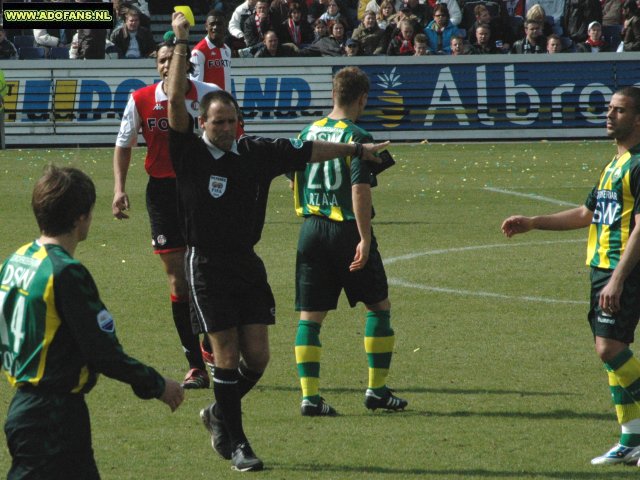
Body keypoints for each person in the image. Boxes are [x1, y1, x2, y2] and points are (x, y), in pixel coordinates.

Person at [167, 12, 389, 471]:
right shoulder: (188, 154)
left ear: (239, 122)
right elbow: (173, 97)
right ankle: (238, 443)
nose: (225, 128)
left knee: (259, 359)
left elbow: (307, 151)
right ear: (202, 124)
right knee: (226, 356)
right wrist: (180, 42)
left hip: (246, 264)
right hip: (205, 265)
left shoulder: (254, 153)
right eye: (216, 122)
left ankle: (216, 414)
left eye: (231, 121)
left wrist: (356, 150)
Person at [1, 165, 184, 479]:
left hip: (26, 408)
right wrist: (156, 385)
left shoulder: (15, 261)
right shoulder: (65, 272)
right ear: (79, 217)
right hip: (53, 415)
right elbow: (102, 353)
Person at [501, 86, 640, 467]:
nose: (609, 115)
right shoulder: (615, 164)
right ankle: (631, 438)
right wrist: (533, 222)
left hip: (622, 269)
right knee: (613, 350)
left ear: (639, 119)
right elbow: (586, 214)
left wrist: (618, 278)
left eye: (620, 110)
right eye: (609, 108)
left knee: (608, 349)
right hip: (602, 269)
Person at [292, 66, 407, 418]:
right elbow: (359, 189)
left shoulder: (307, 132)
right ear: (362, 99)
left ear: (332, 95)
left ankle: (310, 396)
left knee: (309, 318)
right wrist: (364, 237)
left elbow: (293, 176)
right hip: (344, 229)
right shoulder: (358, 135)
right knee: (378, 306)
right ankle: (376, 390)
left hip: (311, 229)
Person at [112, 41, 223, 390]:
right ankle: (195, 363)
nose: (166, 66)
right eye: (160, 60)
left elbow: (232, 139)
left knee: (208, 269)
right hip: (161, 193)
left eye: (170, 60)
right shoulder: (141, 99)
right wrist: (119, 189)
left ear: (185, 64)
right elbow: (124, 143)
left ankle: (209, 340)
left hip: (202, 190)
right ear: (156, 64)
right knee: (177, 279)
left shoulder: (209, 94)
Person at [190, 10, 233, 92]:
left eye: (219, 24)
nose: (215, 27)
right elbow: (195, 85)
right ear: (206, 26)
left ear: (226, 26)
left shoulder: (227, 49)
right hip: (208, 103)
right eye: (212, 24)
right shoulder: (198, 52)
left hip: (224, 101)